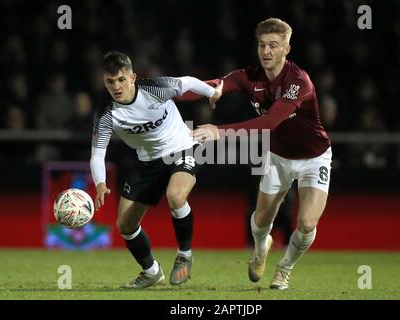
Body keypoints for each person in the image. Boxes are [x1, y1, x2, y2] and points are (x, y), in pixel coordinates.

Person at [191, 18, 332, 290]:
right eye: (262, 45)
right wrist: (217, 87)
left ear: (286, 49)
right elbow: (224, 81)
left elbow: (268, 124)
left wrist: (218, 131)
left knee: (306, 223)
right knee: (260, 219)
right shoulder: (249, 75)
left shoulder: (298, 81)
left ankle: (285, 268)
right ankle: (260, 248)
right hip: (278, 157)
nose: (266, 51)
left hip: (314, 158)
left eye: (273, 46)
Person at [90, 51, 223, 289]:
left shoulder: (154, 89)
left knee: (176, 196)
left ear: (132, 77)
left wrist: (212, 92)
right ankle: (151, 272)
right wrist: (100, 183)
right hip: (148, 162)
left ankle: (184, 255)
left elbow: (187, 83)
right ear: (104, 81)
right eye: (110, 82)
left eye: (121, 79)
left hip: (183, 149)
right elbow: (97, 154)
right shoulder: (106, 114)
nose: (116, 86)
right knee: (125, 225)